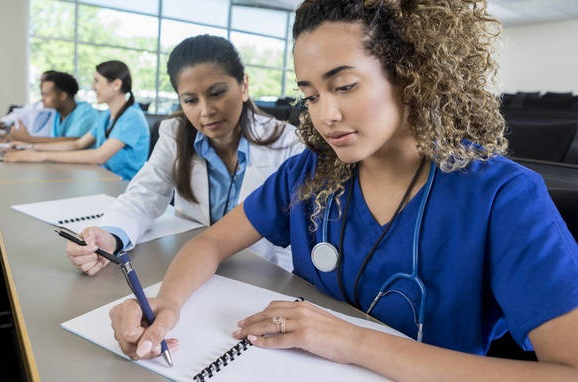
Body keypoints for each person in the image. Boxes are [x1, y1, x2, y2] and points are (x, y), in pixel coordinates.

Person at [107, 0, 578, 379]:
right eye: (310, 95)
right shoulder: (310, 173)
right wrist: (164, 308)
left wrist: (351, 341)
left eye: (345, 86)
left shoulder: (505, 198)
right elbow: (212, 241)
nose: (324, 114)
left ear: (413, 75)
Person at [65, 35, 304, 275]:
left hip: (260, 275)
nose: (206, 111)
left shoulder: (289, 144)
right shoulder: (175, 133)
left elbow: (296, 238)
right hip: (191, 269)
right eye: (190, 100)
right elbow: (145, 195)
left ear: (244, 86)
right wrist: (110, 235)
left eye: (217, 93)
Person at [4, 60, 150, 180]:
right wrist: (30, 147)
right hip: (103, 179)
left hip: (123, 187)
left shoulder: (132, 117)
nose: (93, 87)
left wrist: (40, 157)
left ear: (116, 85)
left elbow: (99, 156)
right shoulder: (106, 116)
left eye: (97, 81)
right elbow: (77, 144)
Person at [7, 71, 98, 143]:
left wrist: (28, 139)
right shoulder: (56, 114)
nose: (42, 100)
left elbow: (75, 142)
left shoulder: (85, 112)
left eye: (46, 95)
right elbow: (50, 141)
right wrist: (12, 139)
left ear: (62, 96)